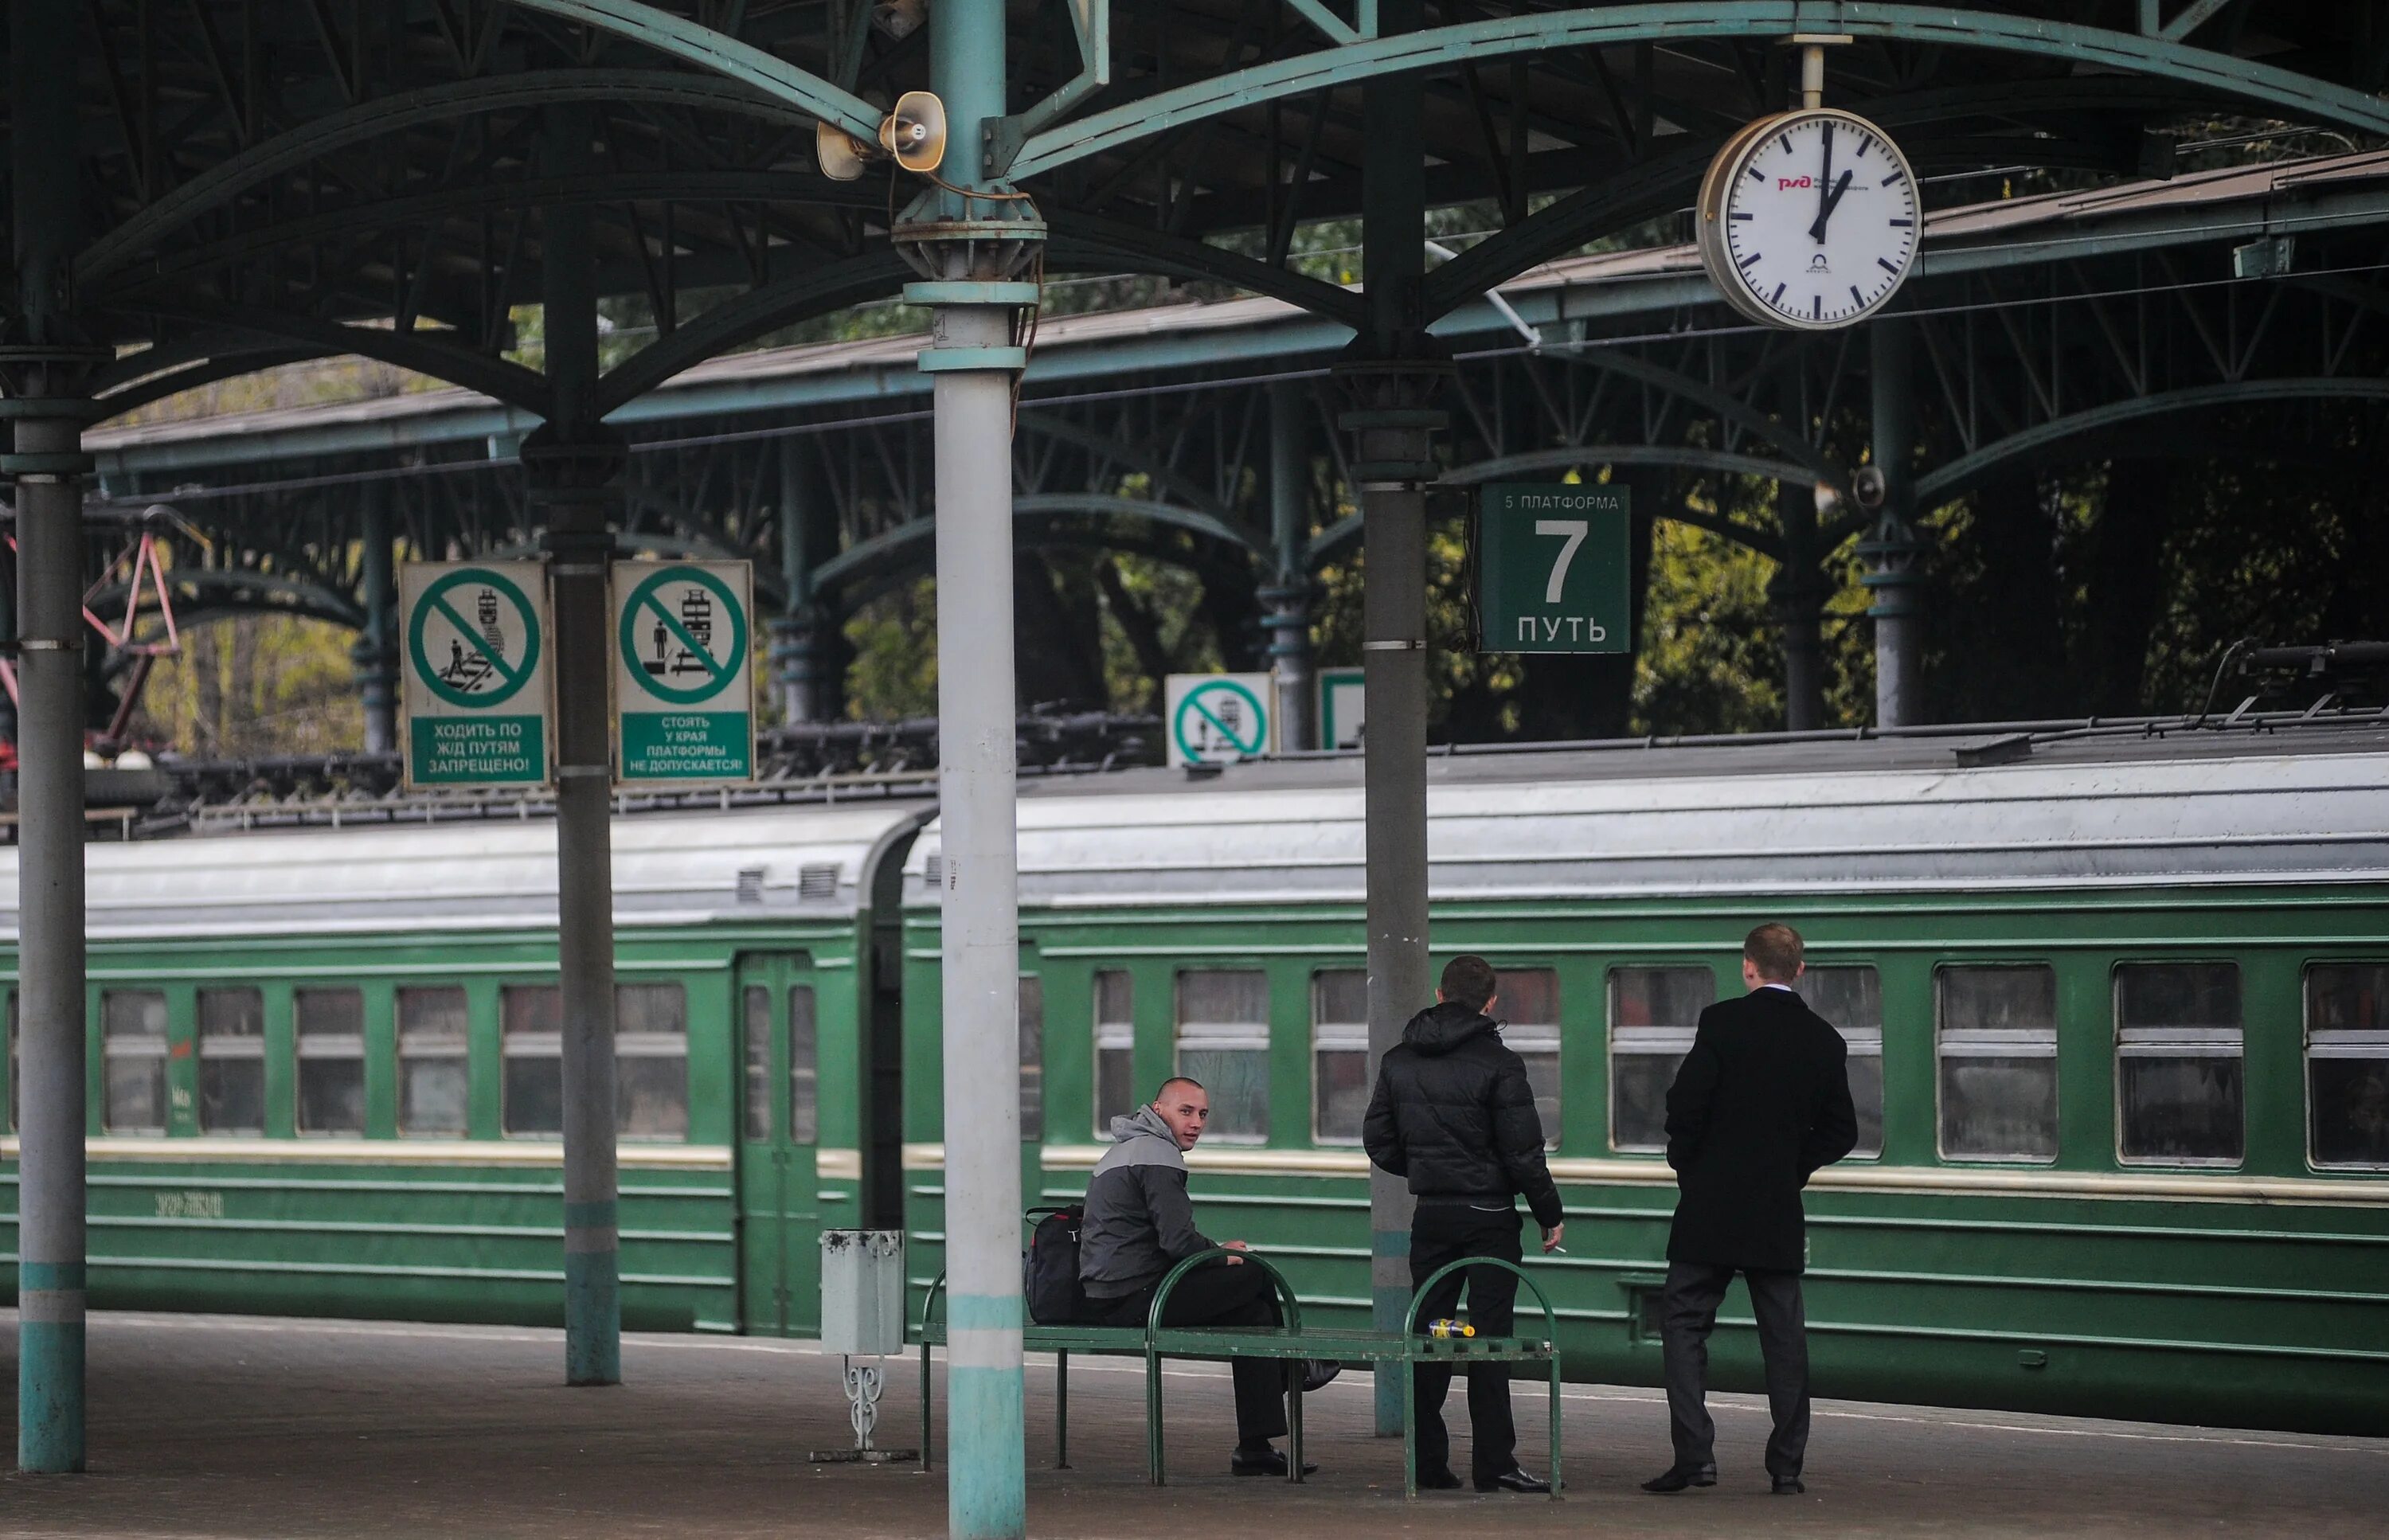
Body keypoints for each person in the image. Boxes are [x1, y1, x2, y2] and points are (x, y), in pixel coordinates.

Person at [1643, 922, 1859, 1498]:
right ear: (1800, 970)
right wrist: (1791, 1168)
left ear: (1748, 966)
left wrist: (1691, 1167)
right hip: (1775, 1209)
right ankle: (1786, 1469)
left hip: (1709, 1204)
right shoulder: (1823, 1040)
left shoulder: (1721, 1022)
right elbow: (1842, 1131)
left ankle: (1696, 1460)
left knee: (1683, 1324)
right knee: (1784, 1340)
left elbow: (1684, 1105)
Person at [1363, 955, 1565, 1494]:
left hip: (1431, 1216)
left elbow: (1378, 1141)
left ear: (1439, 992)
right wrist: (1550, 1213)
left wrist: (1429, 1170)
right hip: (1490, 1219)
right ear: (1490, 1003)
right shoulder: (1500, 1063)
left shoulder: (1399, 1060)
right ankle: (1493, 1463)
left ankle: (1429, 1464)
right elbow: (1523, 1153)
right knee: (1489, 1338)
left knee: (1432, 1335)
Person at [1079, 1076, 1336, 1476]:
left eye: (1202, 1114)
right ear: (1158, 1110)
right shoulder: (1157, 1154)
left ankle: (1254, 1448)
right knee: (1254, 1274)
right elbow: (1178, 1242)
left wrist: (1218, 1254)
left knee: (1253, 1319)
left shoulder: (1126, 1149)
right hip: (1134, 1296)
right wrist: (1224, 1256)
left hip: (1114, 1291)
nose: (1196, 1122)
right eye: (1186, 1112)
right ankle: (1291, 1366)